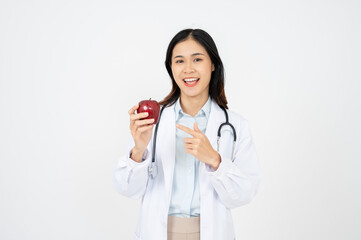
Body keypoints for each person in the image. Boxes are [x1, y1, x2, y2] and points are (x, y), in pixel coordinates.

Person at [112, 28, 262, 240]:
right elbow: (128, 190)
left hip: (210, 232)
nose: (188, 69)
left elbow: (245, 194)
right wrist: (138, 150)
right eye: (179, 61)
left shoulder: (235, 125)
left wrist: (214, 159)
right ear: (171, 68)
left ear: (213, 65)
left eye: (197, 59)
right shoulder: (151, 121)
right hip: (159, 232)